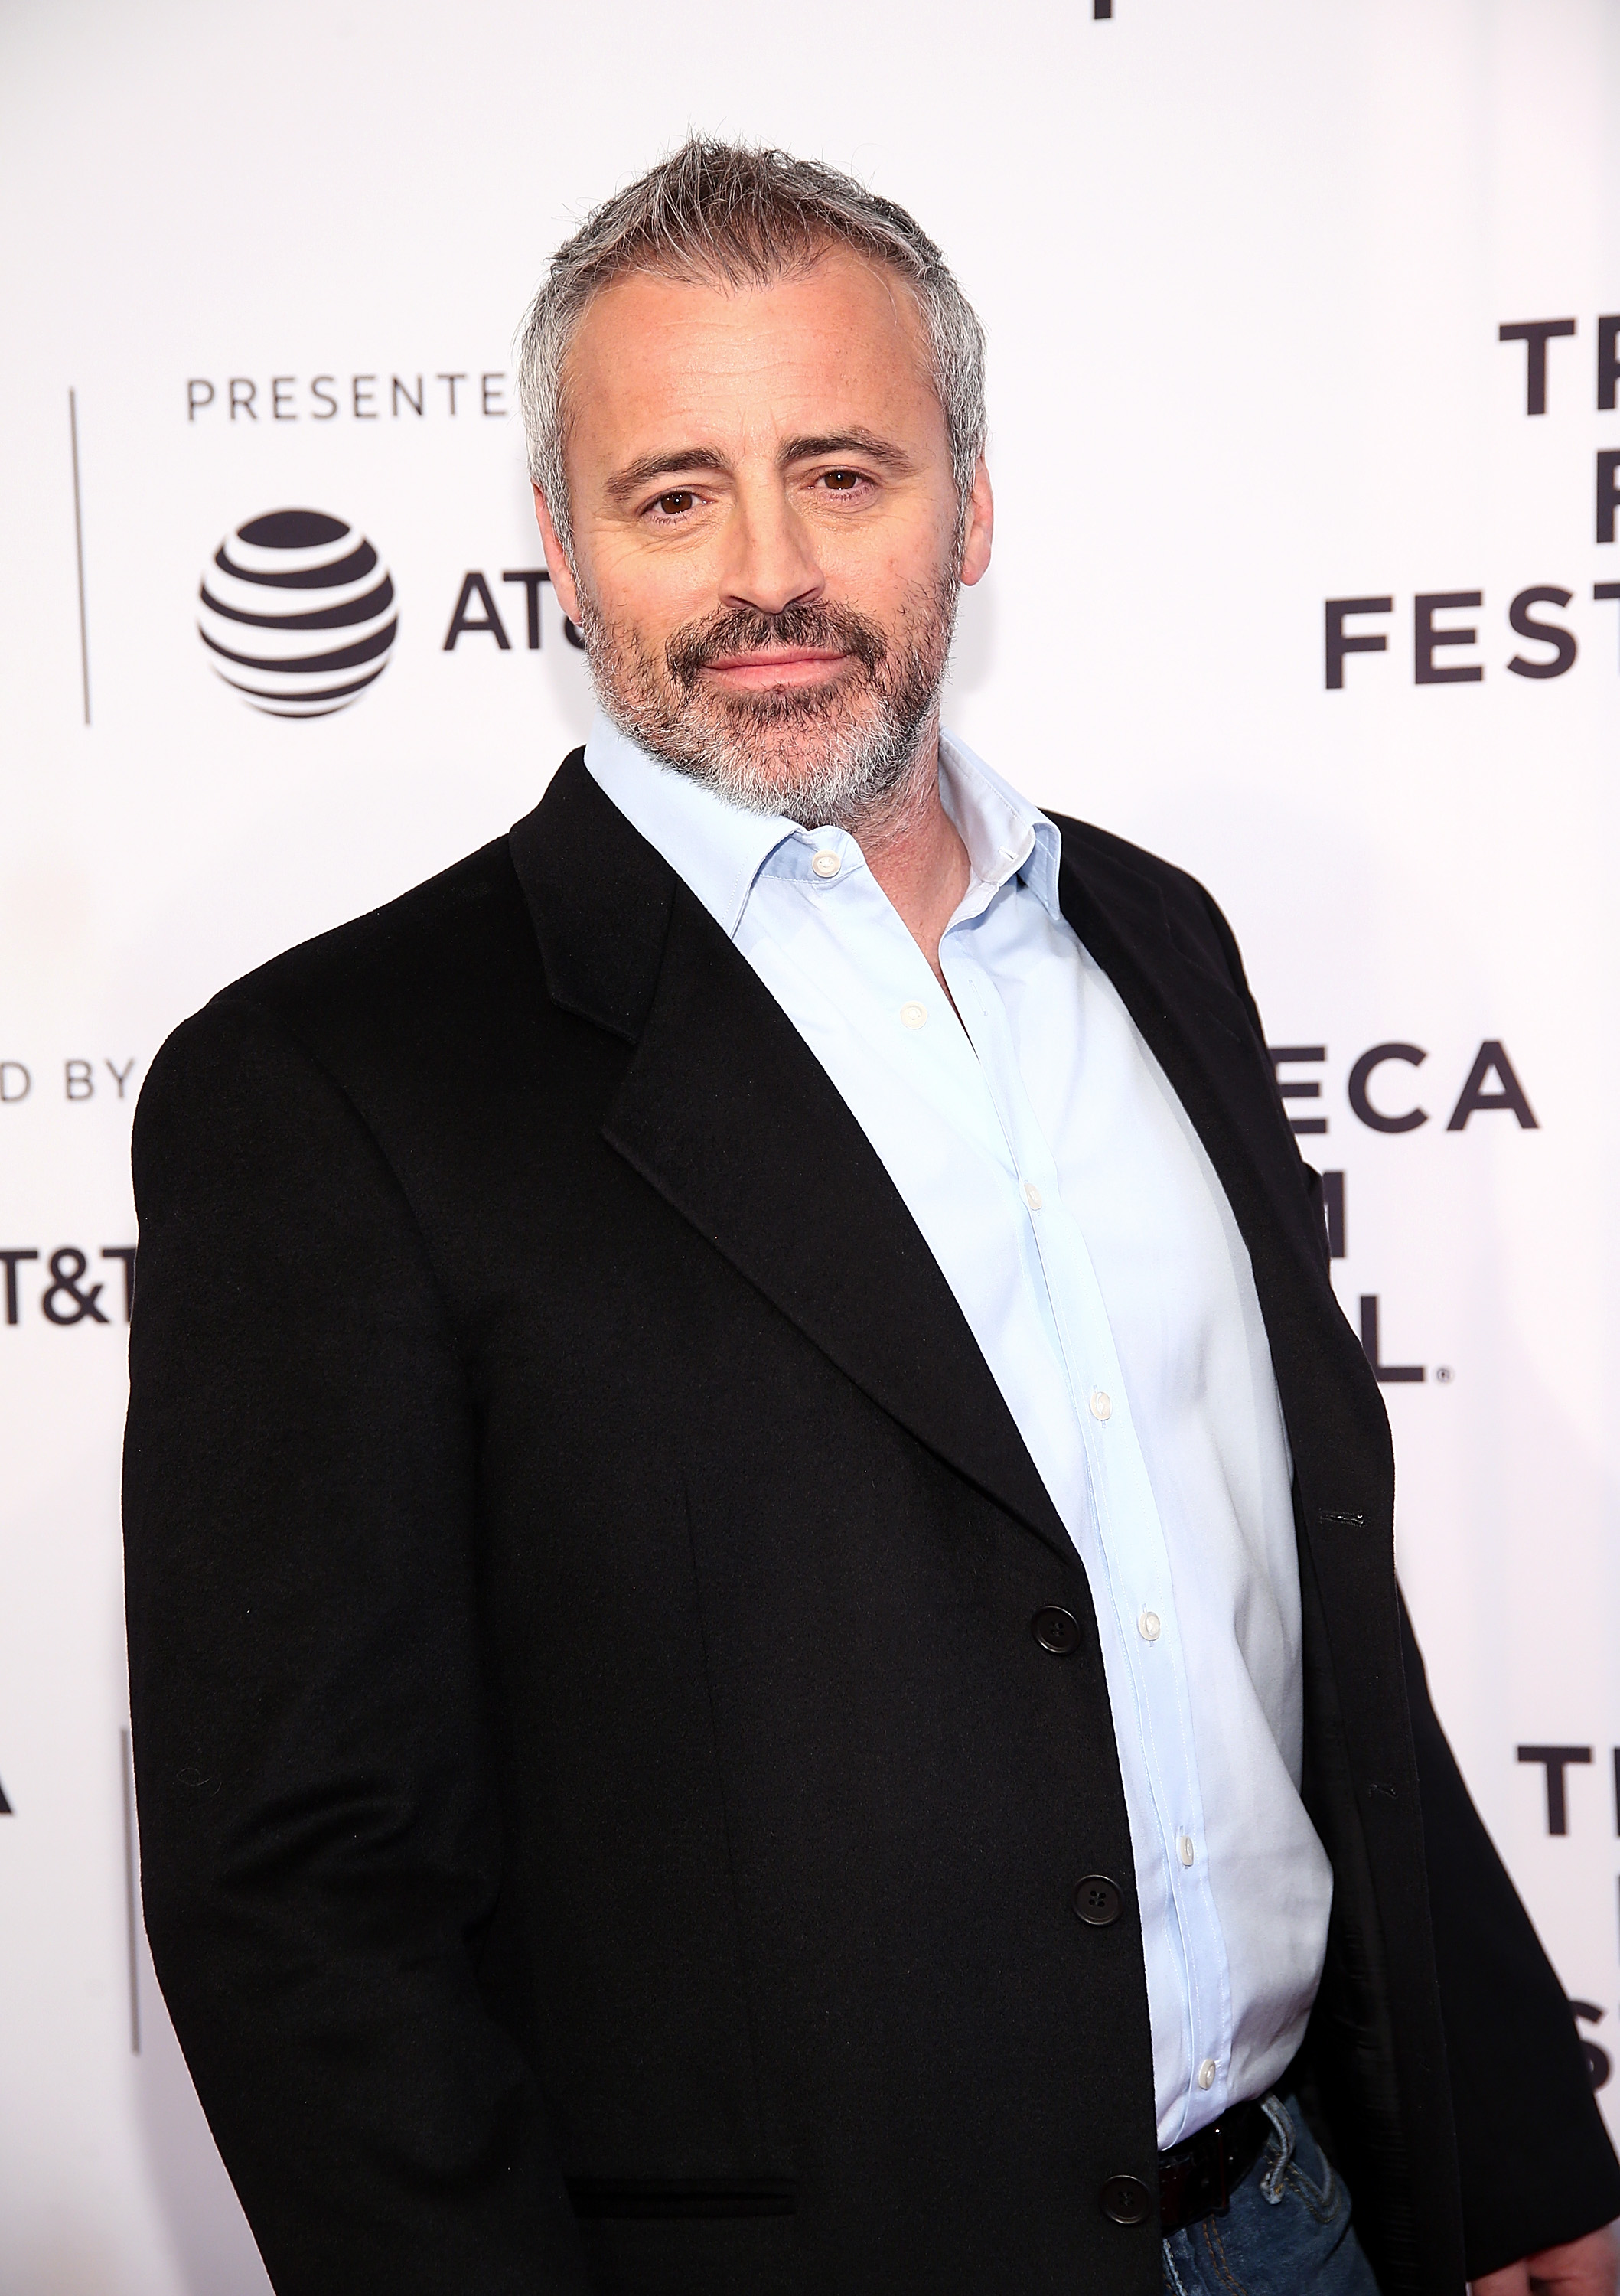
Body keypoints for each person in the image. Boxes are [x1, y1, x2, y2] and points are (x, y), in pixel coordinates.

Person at [123, 139, 1620, 2296]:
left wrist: (1506, 2158)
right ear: (559, 549)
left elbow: (1308, 1618)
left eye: (842, 473)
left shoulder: (1158, 946)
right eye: (672, 496)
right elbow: (303, 1899)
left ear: (973, 505)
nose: (768, 575)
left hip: (1311, 2222)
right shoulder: (333, 1088)